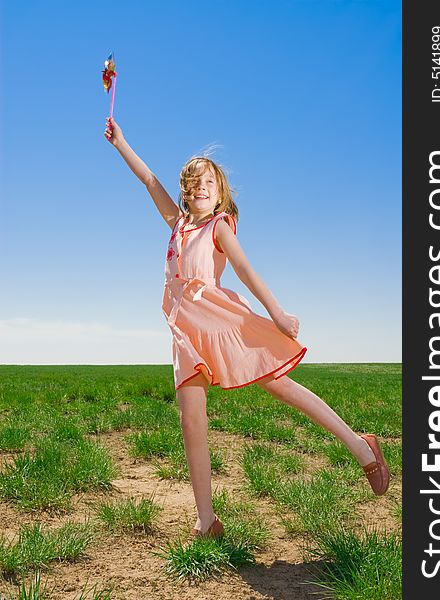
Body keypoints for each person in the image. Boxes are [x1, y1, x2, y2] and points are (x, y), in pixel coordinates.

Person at [104, 116, 390, 542]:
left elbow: (243, 267)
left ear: (219, 195)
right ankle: (206, 519)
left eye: (208, 184)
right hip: (185, 331)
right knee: (191, 419)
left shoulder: (217, 227)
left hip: (222, 321)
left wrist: (276, 313)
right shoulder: (177, 224)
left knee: (281, 385)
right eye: (192, 184)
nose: (199, 189)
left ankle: (361, 445)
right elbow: (148, 179)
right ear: (184, 193)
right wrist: (121, 143)